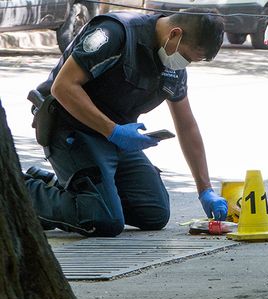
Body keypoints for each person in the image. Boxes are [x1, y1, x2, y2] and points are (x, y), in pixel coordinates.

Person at [24, 8, 227, 237]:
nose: (185, 64)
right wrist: (113, 132)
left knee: (154, 213)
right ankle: (21, 191)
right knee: (103, 220)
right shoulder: (115, 33)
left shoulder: (171, 62)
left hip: (116, 136)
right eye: (188, 57)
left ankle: (75, 189)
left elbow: (187, 124)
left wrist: (205, 189)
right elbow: (62, 87)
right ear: (175, 34)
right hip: (72, 127)